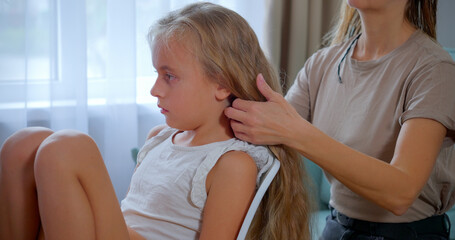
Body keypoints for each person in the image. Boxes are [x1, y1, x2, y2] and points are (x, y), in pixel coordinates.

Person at [0, 2, 313, 240]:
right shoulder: (159, 137)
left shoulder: (233, 164)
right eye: (156, 74)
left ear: (222, 84)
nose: (154, 89)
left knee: (67, 148)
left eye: (170, 76)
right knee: (24, 144)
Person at [225, 0, 455, 239]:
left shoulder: (434, 69)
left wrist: (297, 133)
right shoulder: (322, 63)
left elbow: (401, 194)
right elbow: (267, 136)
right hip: (337, 228)